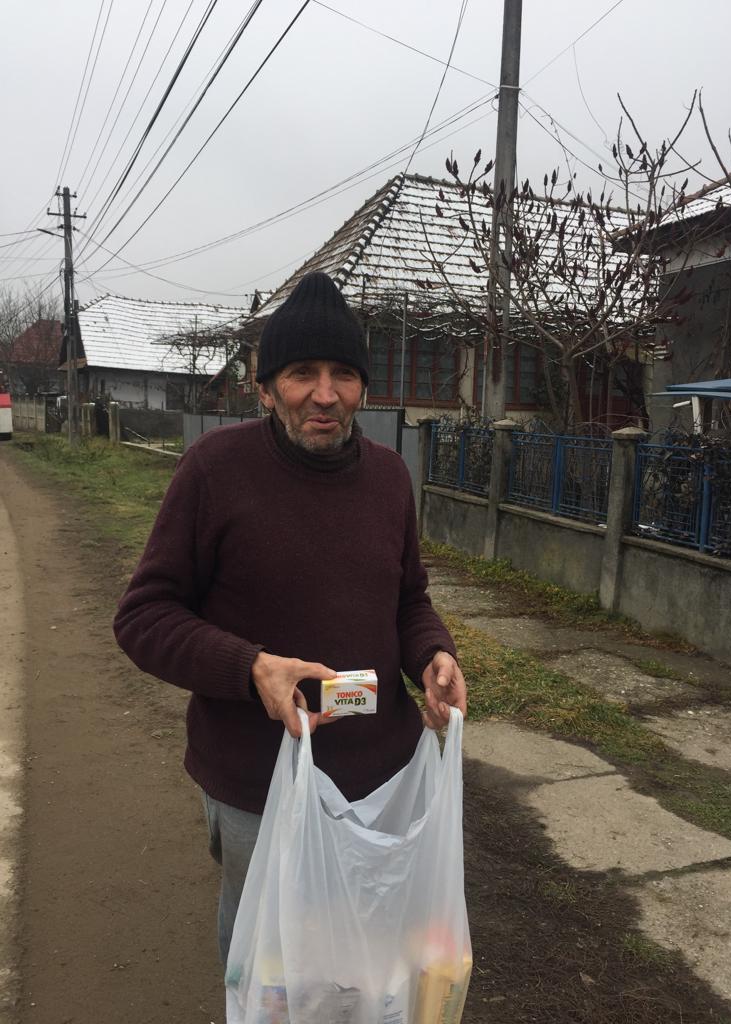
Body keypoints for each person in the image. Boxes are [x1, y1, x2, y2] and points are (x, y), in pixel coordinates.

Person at [113, 271, 467, 964]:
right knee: (269, 962)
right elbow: (144, 617)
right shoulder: (214, 470)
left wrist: (433, 654)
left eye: (344, 374)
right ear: (265, 386)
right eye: (303, 373)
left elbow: (408, 599)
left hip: (385, 775)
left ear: (363, 387)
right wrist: (251, 668)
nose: (325, 394)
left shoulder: (390, 477)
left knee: (369, 955)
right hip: (260, 781)